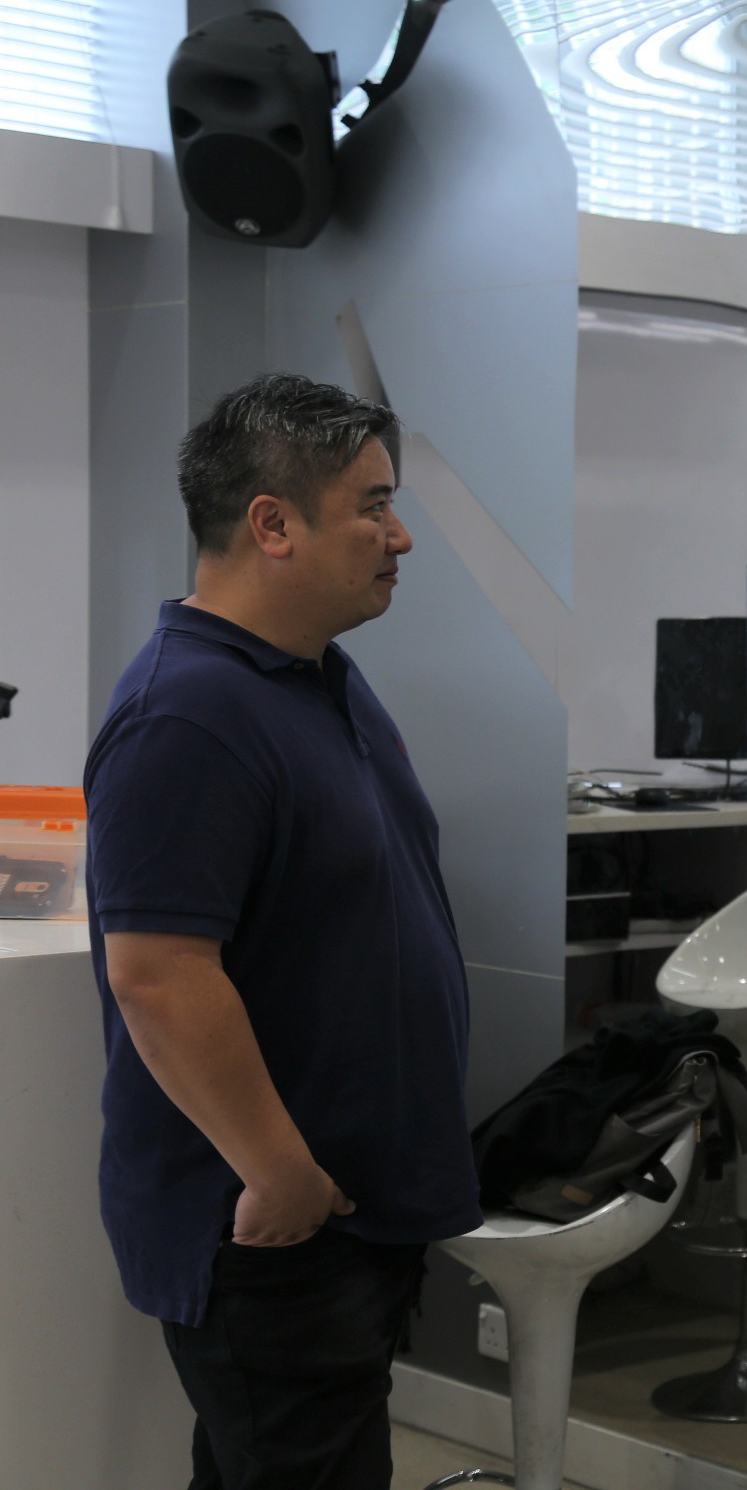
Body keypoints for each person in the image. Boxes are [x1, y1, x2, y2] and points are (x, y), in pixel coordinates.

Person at [82, 374, 481, 1489]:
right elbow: (158, 975)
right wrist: (280, 1172)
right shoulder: (186, 714)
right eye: (374, 506)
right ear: (273, 523)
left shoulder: (315, 680)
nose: (400, 536)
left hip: (346, 1216)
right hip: (279, 1229)